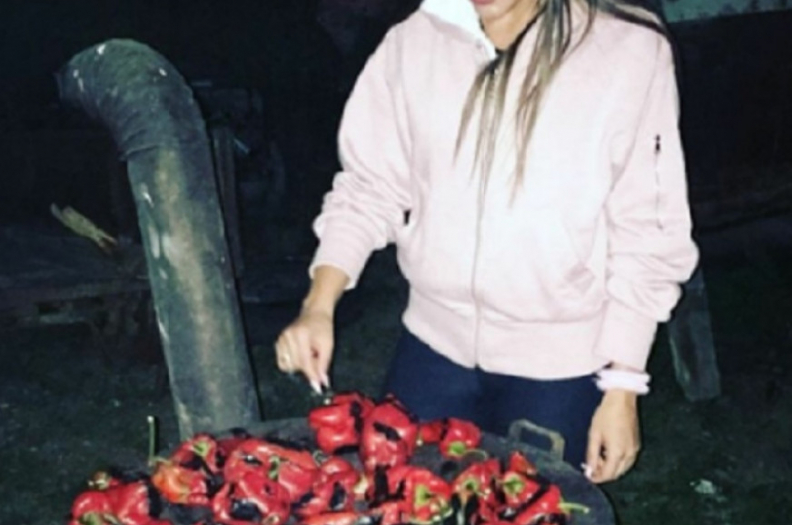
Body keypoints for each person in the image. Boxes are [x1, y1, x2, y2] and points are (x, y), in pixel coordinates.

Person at [274, 0, 699, 484]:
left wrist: (622, 386)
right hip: (432, 347)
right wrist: (319, 305)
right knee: (401, 501)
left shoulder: (627, 50)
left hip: (560, 367)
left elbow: (647, 228)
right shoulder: (414, 43)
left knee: (536, 509)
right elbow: (369, 187)